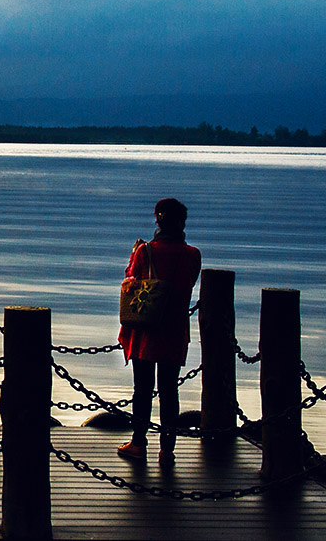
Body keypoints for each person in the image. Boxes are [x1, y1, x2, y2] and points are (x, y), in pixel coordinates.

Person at [117, 198, 201, 466]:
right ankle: (167, 450)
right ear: (182, 221)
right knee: (169, 391)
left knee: (142, 388)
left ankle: (139, 443)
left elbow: (132, 280)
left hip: (148, 328)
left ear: (158, 220)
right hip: (175, 329)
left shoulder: (146, 251)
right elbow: (189, 283)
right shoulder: (193, 254)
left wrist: (134, 256)